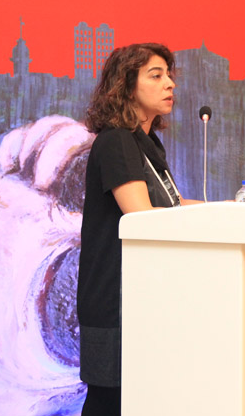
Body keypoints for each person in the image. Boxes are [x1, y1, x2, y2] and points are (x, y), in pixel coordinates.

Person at [77, 43, 200, 415]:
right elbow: (143, 217)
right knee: (109, 401)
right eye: (156, 75)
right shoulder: (116, 141)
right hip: (115, 299)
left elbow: (172, 204)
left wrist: (231, 208)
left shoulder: (146, 144)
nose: (170, 84)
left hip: (143, 295)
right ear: (127, 86)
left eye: (169, 75)